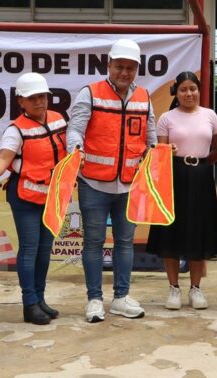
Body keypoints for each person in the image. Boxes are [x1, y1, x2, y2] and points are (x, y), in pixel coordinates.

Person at [66, 38, 156, 323]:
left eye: (130, 68)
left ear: (137, 69)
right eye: (120, 67)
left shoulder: (144, 97)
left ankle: (120, 297)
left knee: (125, 243)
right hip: (94, 182)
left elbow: (150, 136)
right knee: (93, 242)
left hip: (129, 184)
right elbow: (75, 129)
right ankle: (94, 300)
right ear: (109, 65)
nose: (125, 72)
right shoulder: (90, 93)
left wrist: (154, 155)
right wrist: (75, 151)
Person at [0, 73, 66, 325]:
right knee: (30, 249)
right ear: (21, 101)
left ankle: (40, 299)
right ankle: (29, 304)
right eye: (32, 98)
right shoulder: (15, 130)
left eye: (42, 96)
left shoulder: (58, 119)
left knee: (44, 250)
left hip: (51, 196)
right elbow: (4, 157)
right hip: (25, 196)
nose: (39, 102)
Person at [149, 71, 217, 310]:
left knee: (197, 231)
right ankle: (173, 288)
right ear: (176, 92)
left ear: (199, 91)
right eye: (183, 89)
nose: (189, 94)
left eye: (193, 89)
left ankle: (196, 288)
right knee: (172, 231)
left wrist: (202, 165)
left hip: (201, 176)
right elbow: (159, 152)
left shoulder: (210, 116)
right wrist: (167, 151)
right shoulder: (167, 118)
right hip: (174, 177)